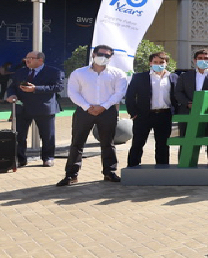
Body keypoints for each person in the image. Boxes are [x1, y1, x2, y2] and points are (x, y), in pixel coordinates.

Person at [58, 45, 129, 186]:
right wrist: (87, 107)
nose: (104, 57)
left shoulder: (118, 73)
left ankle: (109, 172)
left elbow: (119, 93)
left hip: (107, 111)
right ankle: (71, 175)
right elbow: (73, 93)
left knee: (108, 143)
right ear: (93, 54)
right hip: (84, 111)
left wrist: (103, 106)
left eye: (108, 56)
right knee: (77, 143)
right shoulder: (79, 73)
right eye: (101, 54)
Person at [4, 51, 64, 168]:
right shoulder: (20, 72)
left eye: (30, 58)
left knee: (47, 136)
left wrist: (35, 89)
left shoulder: (54, 71)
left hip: (44, 108)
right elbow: (12, 87)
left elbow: (58, 87)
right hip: (22, 108)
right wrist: (11, 95)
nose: (27, 60)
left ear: (40, 60)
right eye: (26, 58)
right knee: (19, 135)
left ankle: (48, 158)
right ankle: (20, 159)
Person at [125, 52, 179, 167]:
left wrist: (176, 112)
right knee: (138, 143)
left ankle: (162, 169)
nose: (158, 64)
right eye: (155, 62)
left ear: (166, 63)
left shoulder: (173, 77)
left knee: (163, 145)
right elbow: (130, 96)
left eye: (161, 62)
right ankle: (132, 168)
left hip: (164, 115)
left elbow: (176, 96)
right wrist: (133, 113)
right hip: (143, 115)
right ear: (150, 63)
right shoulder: (140, 77)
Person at [174, 49, 208, 164]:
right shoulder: (185, 76)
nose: (203, 61)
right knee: (186, 140)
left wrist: (203, 104)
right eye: (200, 58)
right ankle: (185, 165)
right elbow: (178, 92)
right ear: (194, 60)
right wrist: (188, 103)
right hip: (188, 112)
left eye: (206, 58)